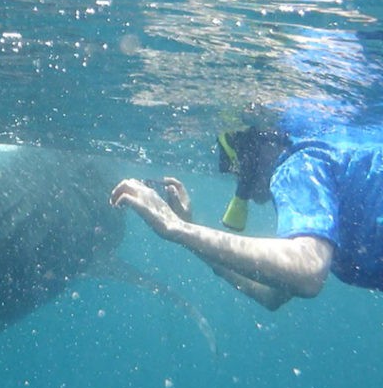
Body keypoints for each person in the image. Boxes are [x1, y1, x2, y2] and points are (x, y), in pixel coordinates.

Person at [109, 119, 383, 310]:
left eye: (231, 155)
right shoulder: (316, 165)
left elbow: (307, 272)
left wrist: (175, 227)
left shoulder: (300, 163)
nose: (231, 170)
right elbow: (271, 296)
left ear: (250, 148)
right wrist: (186, 230)